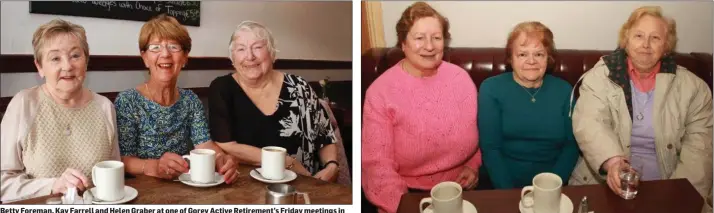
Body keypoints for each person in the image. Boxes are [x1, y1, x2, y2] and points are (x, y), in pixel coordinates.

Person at [570, 6, 712, 199]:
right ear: (626, 40)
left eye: (655, 38)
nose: (646, 44)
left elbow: (700, 148)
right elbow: (590, 122)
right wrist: (612, 161)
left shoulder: (694, 89)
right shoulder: (600, 77)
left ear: (666, 46)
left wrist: (676, 194)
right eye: (638, 36)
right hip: (602, 182)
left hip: (668, 182)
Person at [361, 2, 481, 213]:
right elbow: (376, 166)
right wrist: (403, 205)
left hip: (462, 188)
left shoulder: (460, 79)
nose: (429, 46)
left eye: (436, 37)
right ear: (403, 43)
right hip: (408, 194)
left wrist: (473, 164)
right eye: (419, 38)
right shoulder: (380, 93)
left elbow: (479, 128)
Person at [1, 19, 120, 202]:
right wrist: (51, 186)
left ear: (86, 62)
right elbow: (3, 183)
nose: (67, 66)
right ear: (40, 67)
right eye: (55, 58)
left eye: (75, 56)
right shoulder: (23, 104)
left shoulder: (105, 107)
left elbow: (113, 173)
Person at [208, 21, 340, 182]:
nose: (249, 56)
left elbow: (324, 134)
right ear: (233, 58)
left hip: (305, 183)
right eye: (241, 49)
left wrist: (332, 165)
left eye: (257, 47)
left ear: (272, 53)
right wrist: (284, 161)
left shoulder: (299, 86)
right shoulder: (222, 88)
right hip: (244, 185)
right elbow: (225, 144)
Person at [114, 14, 239, 184]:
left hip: (181, 188)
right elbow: (123, 159)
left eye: (174, 47)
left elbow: (204, 144)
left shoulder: (190, 101)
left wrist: (221, 158)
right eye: (155, 47)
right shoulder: (128, 101)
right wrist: (154, 166)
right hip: (141, 190)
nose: (165, 54)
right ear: (145, 58)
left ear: (185, 57)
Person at [478, 21, 578, 189]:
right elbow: (491, 149)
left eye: (539, 54)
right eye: (522, 54)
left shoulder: (564, 90)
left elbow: (571, 145)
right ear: (511, 58)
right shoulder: (491, 88)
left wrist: (551, 185)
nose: (531, 61)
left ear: (548, 58)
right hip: (501, 181)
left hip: (553, 179)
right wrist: (508, 193)